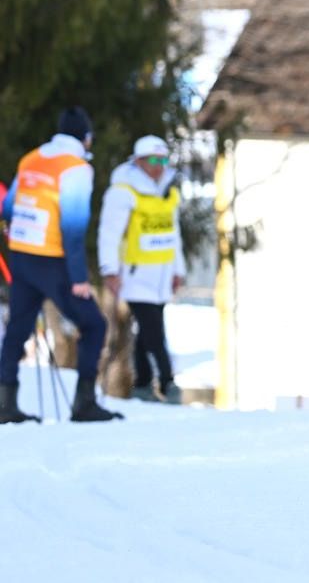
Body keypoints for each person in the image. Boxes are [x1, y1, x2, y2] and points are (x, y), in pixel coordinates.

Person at [0, 107, 121, 423]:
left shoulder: (31, 158)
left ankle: (4, 404)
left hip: (22, 256)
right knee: (94, 325)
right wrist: (79, 277)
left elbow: (10, 207)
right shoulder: (76, 168)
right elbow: (74, 227)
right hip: (53, 261)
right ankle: (83, 404)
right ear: (86, 138)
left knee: (17, 330)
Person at [98, 135, 187, 403]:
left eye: (163, 160)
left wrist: (177, 270)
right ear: (138, 161)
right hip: (136, 274)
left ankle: (144, 383)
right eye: (153, 160)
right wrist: (109, 269)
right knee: (154, 330)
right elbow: (109, 233)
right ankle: (168, 383)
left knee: (148, 330)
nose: (159, 166)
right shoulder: (124, 191)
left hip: (161, 273)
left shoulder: (168, 192)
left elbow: (174, 235)